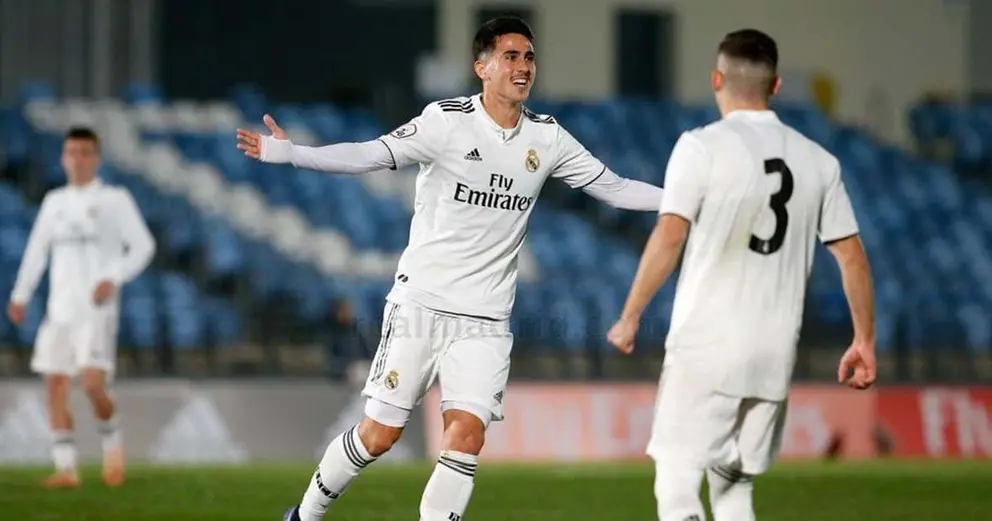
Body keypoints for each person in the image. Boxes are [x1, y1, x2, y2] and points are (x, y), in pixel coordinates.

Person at [236, 16, 665, 521]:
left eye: (529, 57)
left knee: (467, 434)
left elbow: (613, 186)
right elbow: (371, 154)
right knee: (379, 435)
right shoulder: (446, 121)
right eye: (511, 56)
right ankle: (304, 516)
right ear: (481, 67)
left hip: (485, 320)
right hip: (421, 304)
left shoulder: (547, 139)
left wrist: (682, 200)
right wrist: (292, 154)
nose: (523, 66)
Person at [606, 29, 877, 521]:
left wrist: (630, 315)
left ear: (716, 79)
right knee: (733, 488)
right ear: (774, 87)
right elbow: (853, 257)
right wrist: (864, 340)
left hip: (707, 344)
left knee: (677, 477)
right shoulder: (820, 161)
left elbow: (670, 235)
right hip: (773, 352)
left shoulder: (700, 146)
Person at [6, 127, 156, 488]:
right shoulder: (54, 202)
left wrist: (113, 277)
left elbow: (143, 246)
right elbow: (37, 250)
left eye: (85, 152)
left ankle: (113, 449)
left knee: (92, 385)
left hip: (96, 312)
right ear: (63, 158)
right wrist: (21, 294)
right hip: (60, 311)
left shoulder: (114, 199)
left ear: (97, 158)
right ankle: (67, 468)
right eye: (72, 152)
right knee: (54, 386)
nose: (78, 159)